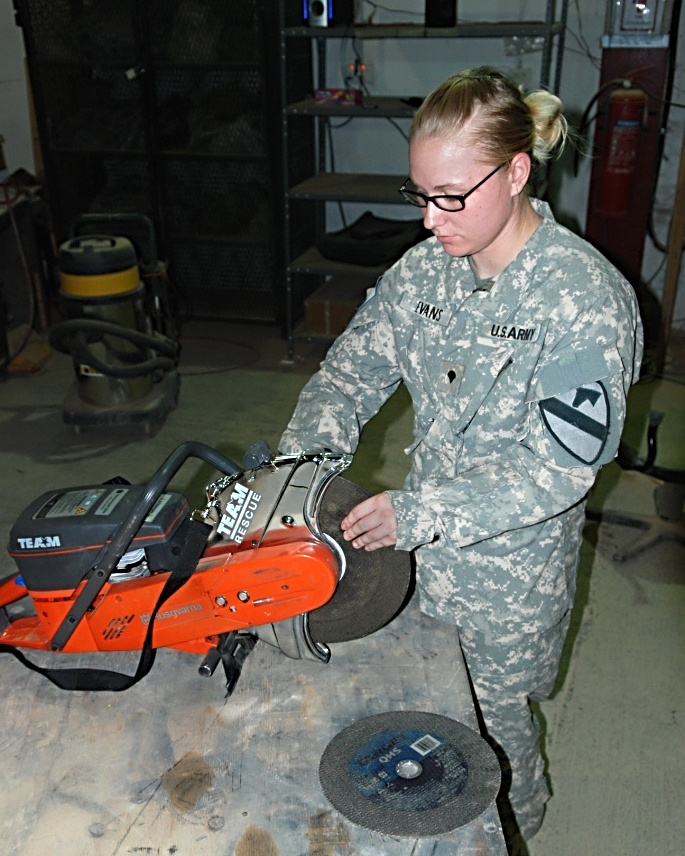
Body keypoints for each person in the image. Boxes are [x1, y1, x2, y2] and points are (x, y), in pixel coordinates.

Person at [280, 67, 643, 849]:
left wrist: (416, 512)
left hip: (506, 574)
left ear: (515, 173)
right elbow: (346, 376)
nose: (429, 219)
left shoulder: (580, 299)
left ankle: (515, 831)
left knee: (491, 725)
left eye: (451, 196)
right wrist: (298, 471)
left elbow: (557, 468)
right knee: (415, 698)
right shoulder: (423, 275)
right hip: (414, 558)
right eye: (420, 195)